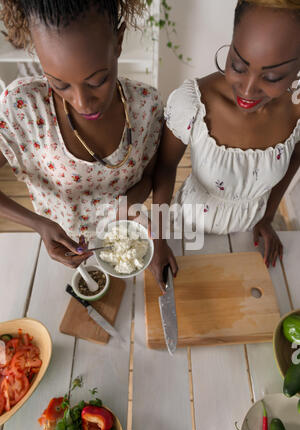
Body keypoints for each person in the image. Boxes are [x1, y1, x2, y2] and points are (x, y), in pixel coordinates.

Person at [150, 0, 300, 292]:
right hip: (187, 229)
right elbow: (165, 168)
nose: (246, 90)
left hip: (251, 233)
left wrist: (268, 218)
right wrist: (157, 239)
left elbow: (294, 160)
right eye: (238, 65)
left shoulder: (297, 110)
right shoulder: (193, 103)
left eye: (271, 78)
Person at [0, 0, 163, 268]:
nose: (82, 103)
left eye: (97, 81)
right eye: (59, 84)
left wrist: (125, 211)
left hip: (123, 237)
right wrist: (39, 225)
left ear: (119, 41)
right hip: (61, 241)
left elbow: (149, 176)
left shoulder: (146, 105)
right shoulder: (24, 108)